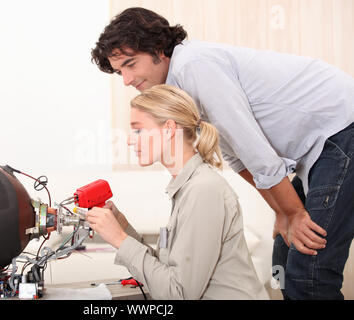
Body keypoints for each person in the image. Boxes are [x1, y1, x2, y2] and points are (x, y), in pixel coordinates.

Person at [91, 7, 354, 300]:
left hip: (341, 128)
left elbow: (252, 147)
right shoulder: (182, 88)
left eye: (130, 64)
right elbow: (237, 156)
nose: (126, 80)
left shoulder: (194, 66)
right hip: (319, 149)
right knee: (284, 251)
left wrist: (292, 211)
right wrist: (281, 212)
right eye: (119, 72)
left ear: (157, 49)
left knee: (309, 270)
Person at [86, 84, 268, 299]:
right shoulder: (188, 187)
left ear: (169, 129)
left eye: (138, 130)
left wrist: (120, 240)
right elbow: (167, 270)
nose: (129, 140)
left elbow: (178, 292)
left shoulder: (203, 190)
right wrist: (122, 227)